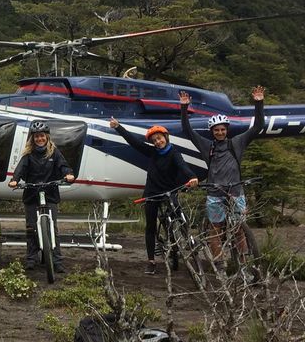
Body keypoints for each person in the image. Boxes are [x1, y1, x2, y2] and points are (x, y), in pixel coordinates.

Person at [180, 86, 265, 266]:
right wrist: (184, 108)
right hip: (215, 193)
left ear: (227, 130)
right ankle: (219, 262)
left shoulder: (237, 142)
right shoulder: (207, 146)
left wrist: (258, 103)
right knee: (216, 228)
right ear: (212, 131)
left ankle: (242, 262)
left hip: (235, 191)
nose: (220, 132)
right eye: (216, 130)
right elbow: (188, 131)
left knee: (238, 229)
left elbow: (257, 126)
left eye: (222, 130)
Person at [110, 118, 198, 275]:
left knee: (178, 216)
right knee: (150, 227)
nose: (157, 142)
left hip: (169, 192)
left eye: (159, 138)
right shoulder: (152, 152)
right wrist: (118, 127)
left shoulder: (174, 153)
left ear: (166, 137)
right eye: (154, 140)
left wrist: (192, 177)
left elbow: (183, 167)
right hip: (152, 193)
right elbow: (134, 143)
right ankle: (151, 261)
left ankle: (190, 242)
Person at [8, 121, 75, 272]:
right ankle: (31, 259)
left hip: (50, 192)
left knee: (53, 228)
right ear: (33, 138)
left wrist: (68, 174)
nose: (40, 139)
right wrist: (14, 180)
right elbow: (20, 169)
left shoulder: (54, 152)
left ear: (47, 137)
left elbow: (63, 165)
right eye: (37, 136)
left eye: (42, 136)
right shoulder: (28, 154)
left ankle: (57, 261)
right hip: (32, 193)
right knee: (31, 228)